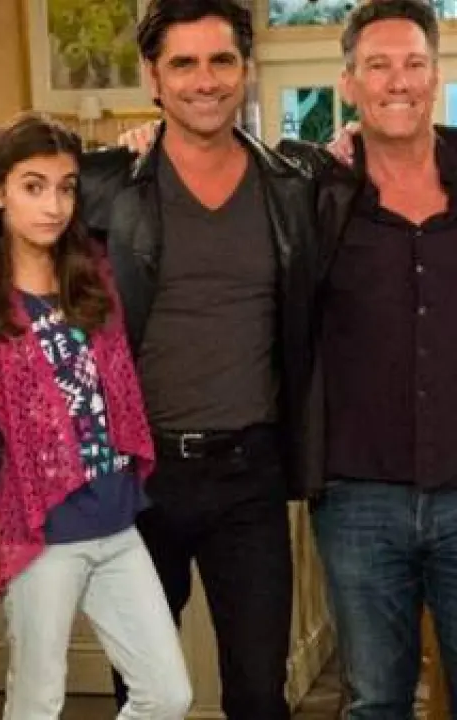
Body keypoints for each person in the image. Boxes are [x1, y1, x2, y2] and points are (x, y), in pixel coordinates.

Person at [82, 0, 321, 716]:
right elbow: (0, 234)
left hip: (251, 476)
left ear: (246, 69)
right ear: (153, 77)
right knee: (146, 695)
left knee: (258, 694)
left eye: (221, 60)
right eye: (182, 63)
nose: (205, 80)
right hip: (138, 474)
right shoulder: (105, 185)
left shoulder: (292, 186)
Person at [0, 113, 190, 719]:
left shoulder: (99, 278)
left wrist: (139, 146)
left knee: (167, 695)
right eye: (33, 186)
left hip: (117, 520)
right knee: (37, 703)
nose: (53, 205)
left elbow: (160, 207)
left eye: (66, 188)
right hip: (42, 532)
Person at [279, 1, 457, 714]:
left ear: (436, 76)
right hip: (357, 498)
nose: (398, 81)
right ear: (349, 83)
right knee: (376, 702)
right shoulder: (314, 196)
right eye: (378, 65)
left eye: (414, 63)